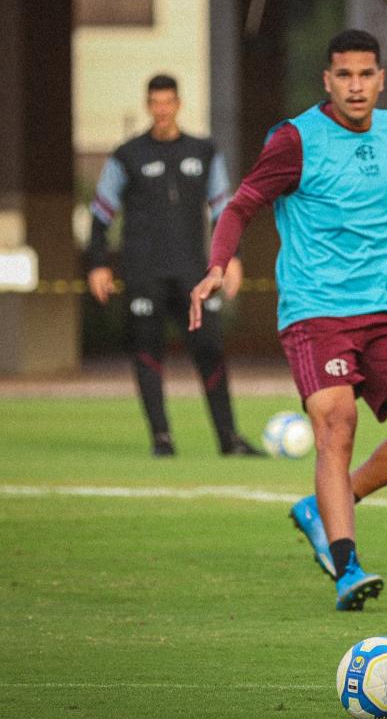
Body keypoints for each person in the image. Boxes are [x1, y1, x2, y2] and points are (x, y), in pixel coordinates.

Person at [189, 29, 387, 611]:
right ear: (327, 80)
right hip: (315, 312)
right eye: (344, 75)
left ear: (381, 78)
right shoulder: (296, 140)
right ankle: (347, 566)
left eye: (366, 74)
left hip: (380, 311)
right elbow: (241, 202)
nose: (356, 86)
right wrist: (219, 264)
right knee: (336, 422)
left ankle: (328, 504)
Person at [87, 74, 262, 458]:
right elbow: (100, 213)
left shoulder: (204, 151)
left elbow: (224, 210)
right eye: (155, 103)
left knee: (210, 350)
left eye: (168, 102)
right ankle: (161, 438)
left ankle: (229, 439)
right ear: (148, 105)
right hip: (143, 273)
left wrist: (233, 258)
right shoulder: (127, 155)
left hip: (192, 275)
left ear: (178, 104)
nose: (162, 110)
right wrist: (98, 263)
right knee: (147, 353)